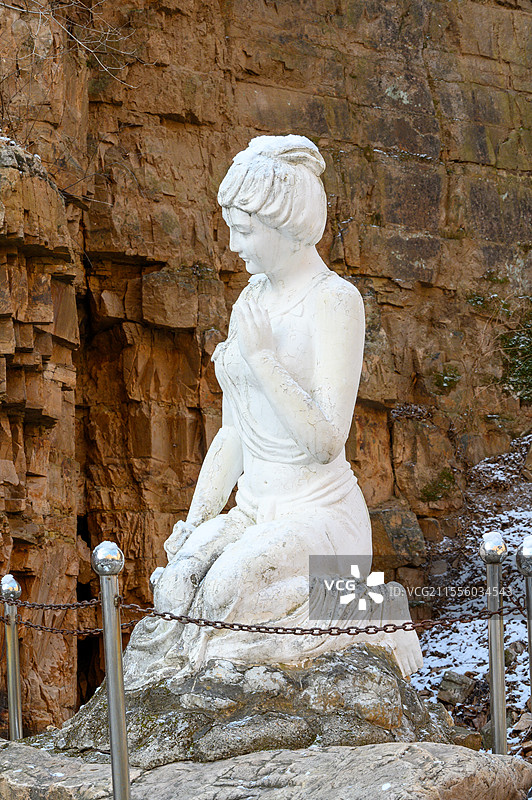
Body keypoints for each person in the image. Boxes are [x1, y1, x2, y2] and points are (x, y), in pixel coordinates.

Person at [123, 135, 422, 686]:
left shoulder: (334, 301)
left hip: (319, 515)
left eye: (244, 230)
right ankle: (334, 607)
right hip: (254, 511)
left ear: (285, 224)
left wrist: (262, 359)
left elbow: (326, 441)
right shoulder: (251, 299)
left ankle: (367, 605)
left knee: (220, 596)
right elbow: (234, 434)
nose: (233, 244)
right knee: (175, 587)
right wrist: (196, 521)